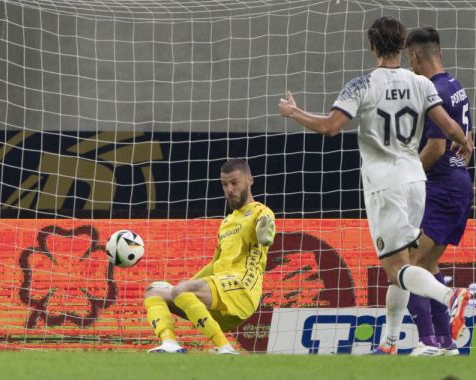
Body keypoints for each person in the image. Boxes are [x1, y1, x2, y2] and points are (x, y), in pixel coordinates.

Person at [278, 16, 473, 355]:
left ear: (372, 46)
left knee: (398, 268)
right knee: (403, 262)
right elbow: (449, 126)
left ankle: (450, 297)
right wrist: (465, 142)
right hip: (417, 182)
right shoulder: (422, 85)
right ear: (402, 46)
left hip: (385, 186)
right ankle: (391, 343)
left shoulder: (362, 85)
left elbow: (330, 127)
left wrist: (295, 113)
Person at [143, 158, 276, 354]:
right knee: (154, 291)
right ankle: (170, 344)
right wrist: (181, 288)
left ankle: (226, 348)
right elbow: (215, 264)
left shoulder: (260, 212)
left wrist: (265, 234)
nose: (229, 189)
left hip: (243, 290)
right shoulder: (227, 223)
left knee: (182, 289)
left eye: (234, 182)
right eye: (224, 184)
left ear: (249, 180)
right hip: (220, 296)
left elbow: (265, 235)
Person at [404, 26, 473, 356]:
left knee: (407, 264)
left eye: (410, 59)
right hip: (459, 187)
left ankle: (427, 341)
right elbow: (466, 138)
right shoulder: (455, 85)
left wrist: (405, 176)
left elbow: (434, 148)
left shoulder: (433, 91)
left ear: (415, 56)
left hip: (441, 188)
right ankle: (445, 342)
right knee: (427, 266)